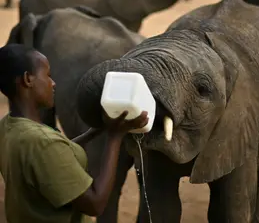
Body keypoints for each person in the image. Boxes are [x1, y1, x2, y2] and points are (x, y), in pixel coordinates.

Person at [0, 43, 149, 223]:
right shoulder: (42, 143)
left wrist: (96, 131)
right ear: (28, 79)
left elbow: (53, 159)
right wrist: (114, 137)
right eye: (47, 75)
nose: (53, 83)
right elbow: (95, 203)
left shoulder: (8, 126)